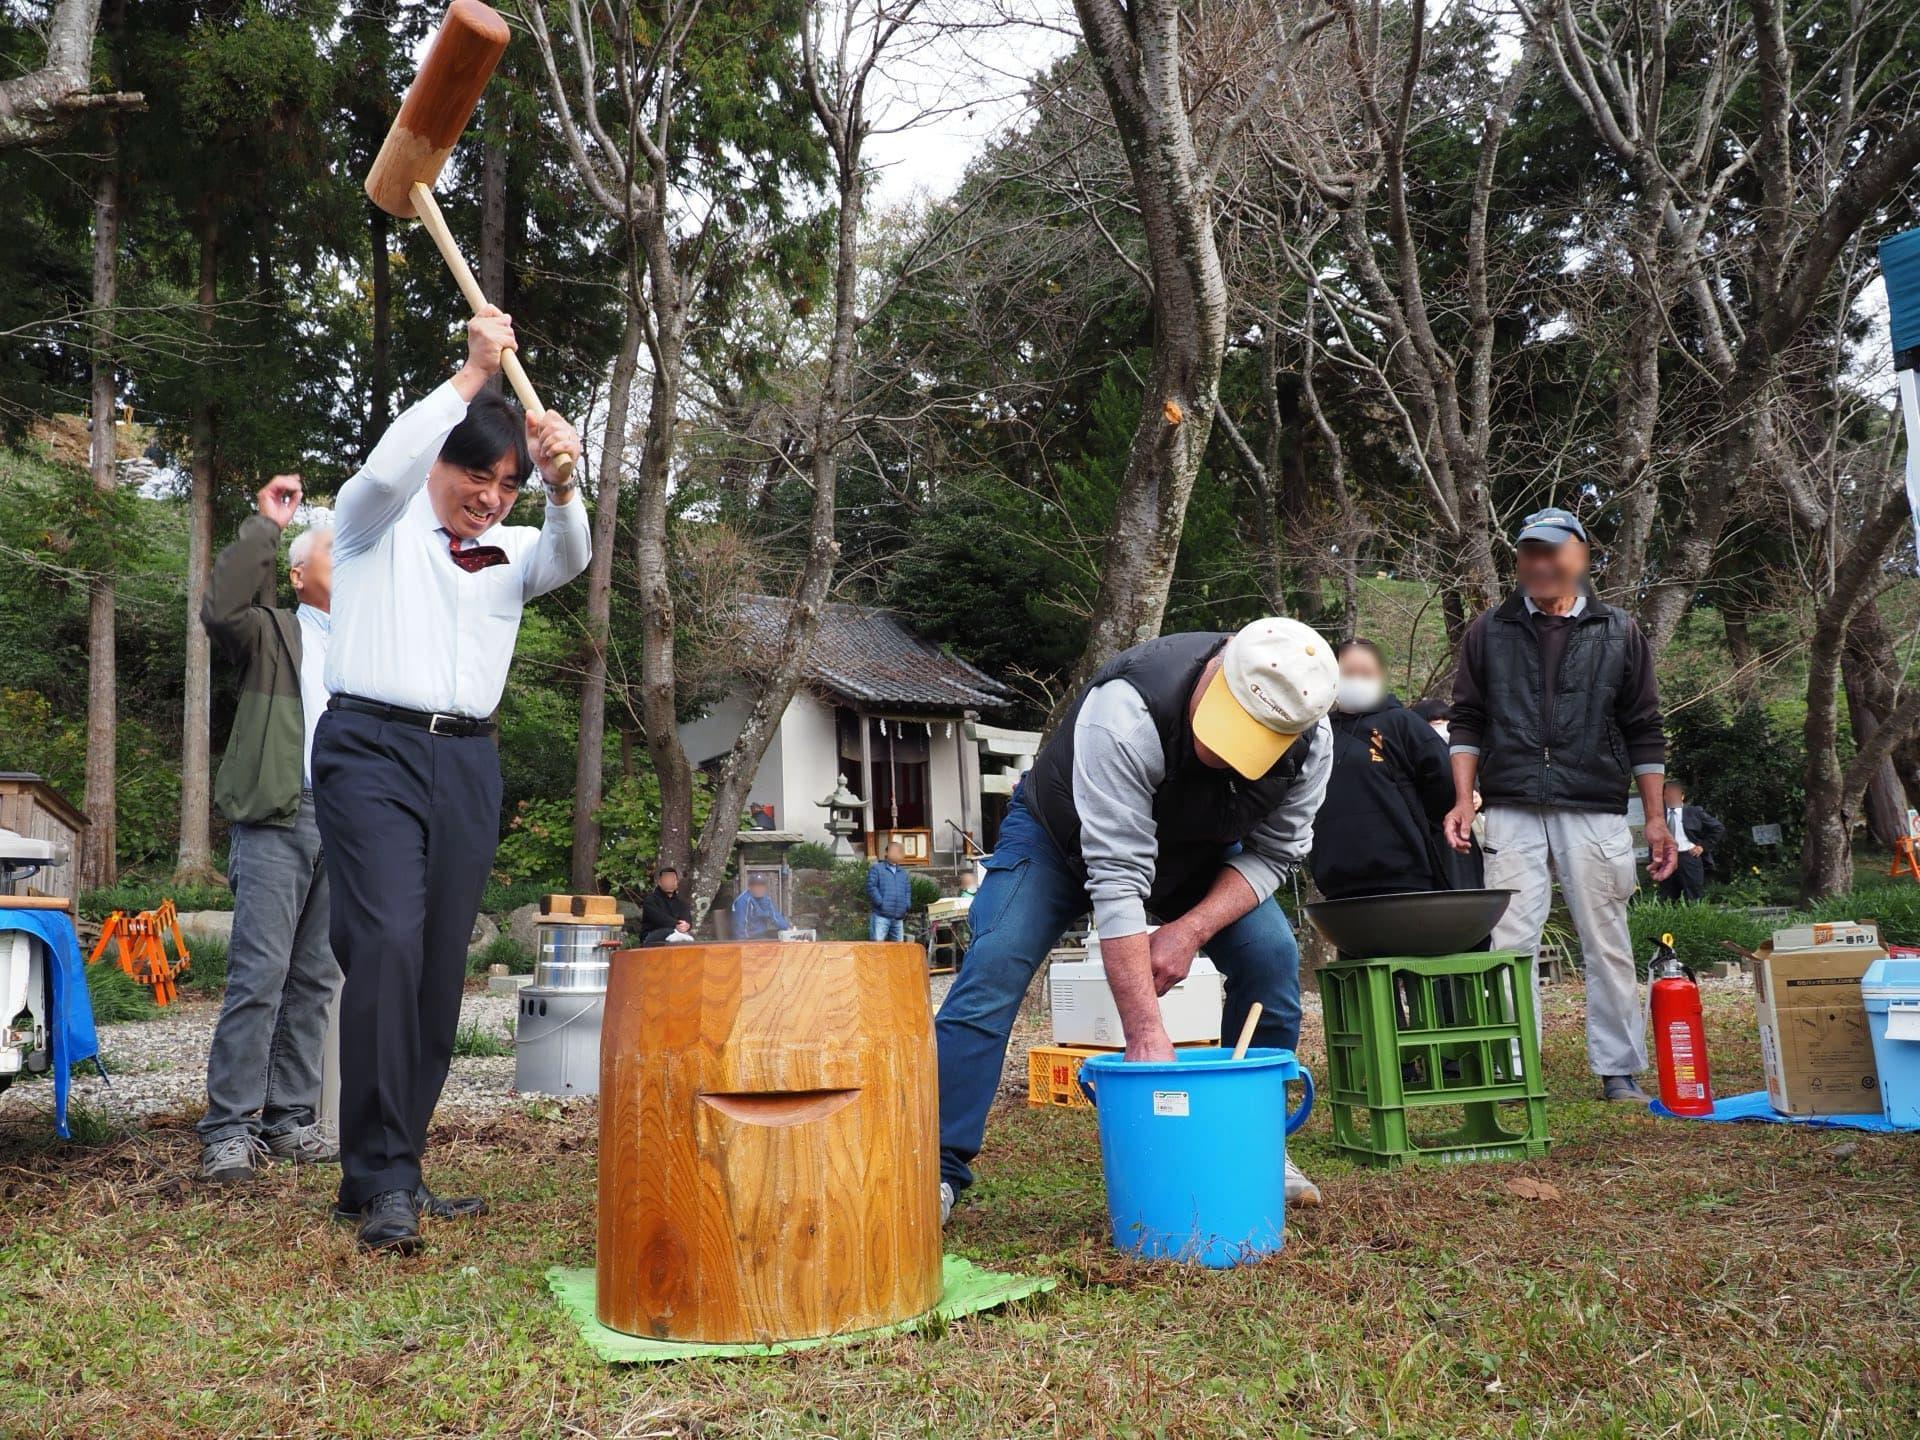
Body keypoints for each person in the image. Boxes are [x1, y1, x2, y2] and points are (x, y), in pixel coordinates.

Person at [313, 307, 588, 1253]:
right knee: (385, 939)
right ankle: (383, 1178)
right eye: (477, 473)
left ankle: (389, 1172)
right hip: (369, 750)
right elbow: (387, 468)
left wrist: (560, 488)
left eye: (505, 481)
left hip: (468, 762)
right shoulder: (370, 527)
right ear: (442, 462)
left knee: (435, 966)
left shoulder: (509, 550)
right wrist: (472, 377)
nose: (490, 495)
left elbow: (571, 555)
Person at [937, 617, 1338, 1223]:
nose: (1221, 753)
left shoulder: (1309, 737)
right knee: (994, 963)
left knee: (1271, 956)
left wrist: (1190, 929)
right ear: (1220, 666)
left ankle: (1259, 1147)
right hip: (1061, 840)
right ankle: (935, 1172)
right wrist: (1146, 1036)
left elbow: (1276, 852)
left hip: (1202, 855)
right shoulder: (1126, 711)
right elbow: (1117, 876)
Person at [1445, 506, 1677, 1104]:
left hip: (1595, 805)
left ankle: (1619, 1069)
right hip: (1512, 804)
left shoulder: (1619, 629)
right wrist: (1463, 799)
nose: (1540, 564)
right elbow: (1467, 719)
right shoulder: (1487, 630)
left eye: (1552, 552)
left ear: (1581, 555)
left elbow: (1644, 729)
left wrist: (1654, 819)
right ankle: (1515, 1070)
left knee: (1606, 939)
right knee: (1511, 942)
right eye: (1529, 552)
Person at [196, 476, 340, 1183]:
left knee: (315, 980)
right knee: (259, 977)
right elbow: (221, 608)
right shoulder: (273, 631)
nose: (345, 564)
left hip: (343, 827)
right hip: (278, 816)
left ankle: (289, 1121)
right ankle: (227, 1129)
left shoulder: (372, 647)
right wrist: (264, 522)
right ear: (297, 572)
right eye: (333, 554)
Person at [1310, 640, 1459, 900]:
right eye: (1347, 673)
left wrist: (1424, 823)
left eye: (1366, 674)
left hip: (1404, 876)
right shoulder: (1318, 731)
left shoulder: (1402, 723)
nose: (1356, 680)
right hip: (1336, 879)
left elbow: (1444, 780)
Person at [1658, 779, 1725, 903]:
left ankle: (1696, 919)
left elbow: (1718, 828)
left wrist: (1703, 846)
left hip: (1688, 857)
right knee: (1667, 897)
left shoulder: (1694, 812)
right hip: (1666, 859)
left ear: (1682, 796)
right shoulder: (1658, 815)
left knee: (1694, 895)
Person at [866, 840, 912, 942]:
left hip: (898, 918)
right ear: (886, 853)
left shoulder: (903, 873)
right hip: (881, 916)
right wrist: (880, 903)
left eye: (899, 851)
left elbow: (908, 890)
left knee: (898, 950)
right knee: (877, 949)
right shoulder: (877, 869)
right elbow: (871, 887)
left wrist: (907, 905)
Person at [639, 865, 694, 944]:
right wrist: (676, 925)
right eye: (666, 880)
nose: (669, 882)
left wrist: (686, 926)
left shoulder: (682, 902)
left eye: (672, 880)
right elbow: (659, 918)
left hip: (678, 932)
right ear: (660, 882)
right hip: (652, 935)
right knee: (671, 932)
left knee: (683, 936)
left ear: (676, 882)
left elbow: (686, 919)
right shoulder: (650, 900)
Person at [730, 873, 791, 940]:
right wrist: (745, 944)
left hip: (762, 934)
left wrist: (787, 929)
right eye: (756, 886)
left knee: (783, 935)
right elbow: (739, 927)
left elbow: (775, 916)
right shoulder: (743, 901)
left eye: (762, 885)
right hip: (748, 938)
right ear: (750, 887)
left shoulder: (766, 899)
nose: (760, 888)